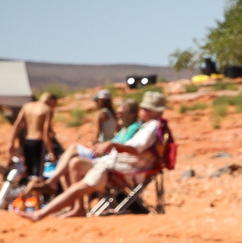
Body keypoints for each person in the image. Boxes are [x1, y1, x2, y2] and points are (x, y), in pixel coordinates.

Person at [23, 91, 166, 221]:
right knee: (76, 163)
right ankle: (77, 207)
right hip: (115, 162)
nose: (142, 111)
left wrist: (110, 144)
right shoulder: (146, 126)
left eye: (145, 109)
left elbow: (134, 148)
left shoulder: (151, 126)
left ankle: (41, 213)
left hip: (124, 169)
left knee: (79, 182)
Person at [7, 91, 59, 182]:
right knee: (38, 175)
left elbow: (17, 124)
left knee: (30, 173)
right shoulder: (47, 110)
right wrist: (51, 152)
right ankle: (33, 195)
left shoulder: (27, 106)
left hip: (27, 142)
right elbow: (45, 132)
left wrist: (11, 142)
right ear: (52, 101)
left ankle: (32, 195)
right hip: (38, 143)